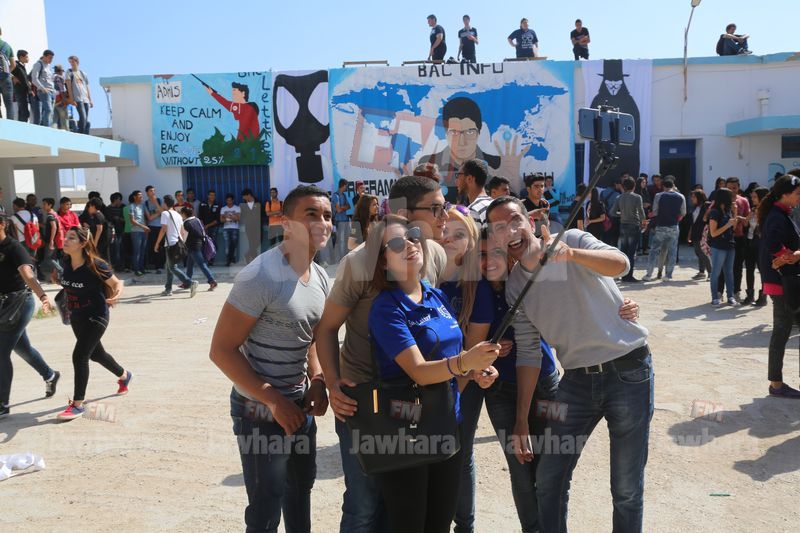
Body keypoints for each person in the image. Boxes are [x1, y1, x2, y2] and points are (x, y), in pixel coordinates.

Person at [486, 195, 652, 533]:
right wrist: (521, 419)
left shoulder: (572, 239)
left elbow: (620, 264)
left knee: (626, 488)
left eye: (515, 220)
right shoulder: (515, 285)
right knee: (549, 479)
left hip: (628, 370)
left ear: (531, 221)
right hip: (576, 381)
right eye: (499, 227)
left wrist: (572, 254)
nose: (510, 231)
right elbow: (529, 352)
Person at [316, 175, 450, 533]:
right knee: (364, 504)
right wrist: (333, 384)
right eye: (436, 209)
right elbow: (326, 328)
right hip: (365, 401)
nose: (445, 216)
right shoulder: (360, 262)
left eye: (445, 206)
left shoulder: (435, 254)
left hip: (420, 400)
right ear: (405, 212)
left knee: (408, 506)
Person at [209, 185, 332, 532]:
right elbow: (221, 350)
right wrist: (274, 400)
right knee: (265, 510)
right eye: (311, 214)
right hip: (259, 410)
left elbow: (309, 336)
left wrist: (318, 380)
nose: (322, 222)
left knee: (300, 493)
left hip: (298, 404)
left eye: (327, 215)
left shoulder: (320, 277)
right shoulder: (260, 275)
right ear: (285, 223)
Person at [366, 214, 500, 533]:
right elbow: (420, 372)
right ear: (382, 261)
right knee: (409, 525)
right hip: (405, 432)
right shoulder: (386, 308)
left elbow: (453, 364)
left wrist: (476, 371)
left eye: (413, 235)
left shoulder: (435, 295)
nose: (410, 244)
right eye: (396, 243)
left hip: (446, 423)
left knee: (440, 523)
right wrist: (466, 362)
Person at [437, 208, 498, 533]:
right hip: (421, 381)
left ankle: (465, 525)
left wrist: (448, 400)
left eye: (459, 234)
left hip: (461, 386)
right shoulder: (420, 277)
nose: (448, 238)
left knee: (459, 454)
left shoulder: (478, 288)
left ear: (472, 241)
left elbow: (472, 354)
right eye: (444, 230)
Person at [55, 226, 131, 421]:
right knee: (97, 354)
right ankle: (124, 375)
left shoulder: (95, 264)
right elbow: (69, 284)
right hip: (76, 316)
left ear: (82, 244)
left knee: (80, 356)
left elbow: (117, 283)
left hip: (97, 315)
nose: (65, 240)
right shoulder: (65, 262)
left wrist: (117, 295)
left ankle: (77, 405)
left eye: (71, 238)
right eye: (66, 236)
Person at [0, 214, 60, 418]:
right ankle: (50, 375)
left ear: (2, 225)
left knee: (1, 353)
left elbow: (27, 274)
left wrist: (42, 296)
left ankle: (2, 403)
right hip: (3, 306)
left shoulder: (14, 247)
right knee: (22, 348)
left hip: (19, 304)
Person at [757, 174, 800, 397]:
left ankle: (776, 383)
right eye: (798, 193)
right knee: (781, 333)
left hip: (785, 283)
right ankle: (776, 384)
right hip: (784, 284)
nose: (799, 197)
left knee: (781, 333)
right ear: (785, 194)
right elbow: (774, 245)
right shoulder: (777, 216)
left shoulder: (782, 213)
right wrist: (789, 256)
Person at [154, 194, 197, 297]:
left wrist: (157, 243)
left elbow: (163, 229)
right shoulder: (178, 214)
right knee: (170, 267)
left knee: (172, 267)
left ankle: (190, 282)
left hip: (170, 244)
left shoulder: (165, 213)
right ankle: (168, 289)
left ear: (165, 203)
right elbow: (182, 231)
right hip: (177, 243)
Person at [643, 177, 685, 281]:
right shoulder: (681, 196)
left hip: (661, 226)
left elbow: (655, 212)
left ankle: (649, 274)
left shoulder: (659, 195)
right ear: (673, 186)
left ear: (663, 186)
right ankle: (668, 275)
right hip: (674, 227)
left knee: (654, 250)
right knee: (672, 252)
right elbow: (683, 213)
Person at [707, 188, 743, 306]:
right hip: (718, 246)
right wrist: (727, 225)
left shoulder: (728, 211)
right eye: (731, 196)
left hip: (730, 244)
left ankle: (730, 296)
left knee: (729, 272)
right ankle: (715, 297)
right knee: (716, 272)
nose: (733, 199)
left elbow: (733, 227)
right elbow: (713, 233)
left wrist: (735, 212)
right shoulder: (714, 212)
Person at [611, 176, 647, 282]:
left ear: (623, 187)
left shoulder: (619, 197)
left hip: (623, 226)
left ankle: (621, 273)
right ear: (634, 186)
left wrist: (622, 214)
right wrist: (644, 223)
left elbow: (612, 212)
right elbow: (641, 213)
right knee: (631, 252)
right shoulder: (637, 197)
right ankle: (628, 276)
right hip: (634, 226)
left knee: (623, 251)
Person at [723, 177, 751, 301]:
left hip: (739, 237)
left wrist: (739, 218)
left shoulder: (743, 201)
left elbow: (747, 221)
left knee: (738, 266)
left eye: (734, 188)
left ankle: (736, 292)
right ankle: (719, 292)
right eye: (729, 188)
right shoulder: (720, 200)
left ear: (738, 188)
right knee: (722, 266)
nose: (731, 190)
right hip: (723, 238)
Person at [180, 206, 217, 291]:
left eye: (181, 213)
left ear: (184, 214)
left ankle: (212, 281)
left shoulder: (186, 223)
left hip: (193, 247)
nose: (181, 215)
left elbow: (184, 238)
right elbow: (203, 231)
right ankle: (187, 283)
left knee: (202, 265)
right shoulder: (197, 220)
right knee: (189, 265)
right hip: (199, 244)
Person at [744, 187, 768, 305]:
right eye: (752, 197)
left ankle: (763, 296)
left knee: (762, 270)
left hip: (760, 244)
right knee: (749, 269)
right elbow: (746, 224)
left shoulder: (767, 211)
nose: (752, 199)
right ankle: (750, 295)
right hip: (750, 242)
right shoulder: (753, 209)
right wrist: (748, 216)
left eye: (755, 197)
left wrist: (758, 216)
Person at [457, 159, 492, 225]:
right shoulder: (493, 203)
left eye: (458, 175)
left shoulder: (473, 211)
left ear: (469, 178)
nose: (456, 180)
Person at [688, 190, 712, 280]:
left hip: (703, 233)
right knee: (698, 252)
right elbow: (693, 222)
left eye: (694, 197)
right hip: (695, 232)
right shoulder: (695, 207)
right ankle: (701, 272)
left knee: (703, 252)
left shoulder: (706, 205)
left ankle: (711, 272)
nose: (692, 199)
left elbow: (708, 218)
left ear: (699, 197)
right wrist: (690, 233)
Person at [37, 198, 63, 281]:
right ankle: (56, 277)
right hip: (55, 240)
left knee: (49, 259)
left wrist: (51, 240)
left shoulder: (50, 216)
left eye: (44, 204)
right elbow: (49, 226)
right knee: (53, 259)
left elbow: (54, 227)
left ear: (50, 205)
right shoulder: (54, 214)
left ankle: (61, 271)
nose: (43, 206)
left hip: (51, 241)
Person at [65, 55, 92, 134]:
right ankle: (81, 133)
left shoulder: (83, 73)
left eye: (72, 61)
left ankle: (83, 133)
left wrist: (90, 99)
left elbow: (87, 87)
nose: (71, 63)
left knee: (86, 118)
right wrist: (71, 99)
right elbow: (69, 87)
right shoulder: (69, 72)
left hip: (85, 98)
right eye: (70, 62)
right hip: (77, 98)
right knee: (83, 117)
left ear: (77, 62)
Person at [30, 50, 55, 127]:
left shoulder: (48, 67)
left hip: (51, 92)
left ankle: (45, 127)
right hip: (44, 91)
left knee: (49, 112)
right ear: (44, 56)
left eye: (52, 58)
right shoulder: (38, 64)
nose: (51, 60)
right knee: (48, 110)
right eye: (50, 58)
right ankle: (47, 129)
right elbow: (34, 79)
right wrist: (42, 88)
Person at [127, 190, 149, 276]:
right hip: (136, 232)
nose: (141, 197)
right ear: (134, 197)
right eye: (139, 195)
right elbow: (132, 221)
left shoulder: (143, 205)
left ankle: (142, 268)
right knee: (137, 251)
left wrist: (145, 228)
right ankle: (136, 270)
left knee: (142, 251)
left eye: (141, 195)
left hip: (143, 231)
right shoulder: (131, 206)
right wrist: (143, 227)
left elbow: (146, 217)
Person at [144, 185, 165, 272]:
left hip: (161, 226)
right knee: (154, 245)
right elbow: (149, 218)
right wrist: (158, 212)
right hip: (152, 227)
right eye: (151, 191)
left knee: (162, 245)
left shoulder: (160, 200)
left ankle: (162, 265)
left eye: (154, 190)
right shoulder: (145, 203)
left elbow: (163, 212)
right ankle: (157, 266)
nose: (153, 192)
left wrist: (156, 203)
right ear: (147, 193)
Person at [331, 179, 352, 262]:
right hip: (339, 221)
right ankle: (341, 258)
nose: (346, 188)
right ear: (343, 185)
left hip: (346, 220)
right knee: (341, 240)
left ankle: (346, 256)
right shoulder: (335, 195)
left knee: (347, 239)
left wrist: (342, 207)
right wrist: (344, 207)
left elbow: (349, 206)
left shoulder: (344, 195)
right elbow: (338, 210)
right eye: (346, 186)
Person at [104, 193, 126, 271]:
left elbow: (126, 219)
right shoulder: (107, 209)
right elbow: (108, 220)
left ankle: (121, 266)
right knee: (115, 249)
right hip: (112, 232)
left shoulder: (123, 207)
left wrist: (119, 218)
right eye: (119, 199)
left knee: (121, 249)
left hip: (121, 231)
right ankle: (116, 267)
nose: (120, 201)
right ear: (115, 200)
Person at [240, 188, 262, 264]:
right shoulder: (243, 205)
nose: (243, 198)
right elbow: (242, 216)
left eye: (244, 196)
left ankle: (247, 254)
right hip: (249, 227)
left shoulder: (258, 202)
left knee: (258, 242)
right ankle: (255, 260)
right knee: (251, 243)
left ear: (249, 195)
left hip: (258, 226)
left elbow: (262, 214)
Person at [199, 190, 221, 264]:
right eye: (211, 195)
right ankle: (205, 259)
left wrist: (207, 226)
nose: (212, 196)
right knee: (204, 243)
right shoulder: (202, 204)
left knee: (213, 243)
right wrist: (203, 227)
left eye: (214, 195)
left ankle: (211, 260)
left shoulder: (218, 205)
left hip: (214, 227)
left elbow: (217, 219)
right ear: (208, 196)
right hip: (204, 228)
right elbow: (200, 217)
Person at [0, 28, 17, 120]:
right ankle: (10, 125)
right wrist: (6, 71)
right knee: (9, 104)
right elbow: (13, 65)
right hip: (5, 77)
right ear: (1, 33)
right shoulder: (7, 46)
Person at [11, 50, 32, 123]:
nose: (28, 58)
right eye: (26, 57)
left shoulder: (22, 66)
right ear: (21, 57)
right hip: (19, 91)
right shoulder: (15, 64)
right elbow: (6, 71)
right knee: (24, 112)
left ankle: (21, 127)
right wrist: (12, 77)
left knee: (22, 112)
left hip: (24, 92)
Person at [220, 194, 241, 266]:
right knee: (227, 244)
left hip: (235, 228)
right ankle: (228, 260)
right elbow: (221, 220)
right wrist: (233, 217)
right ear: (226, 201)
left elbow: (238, 218)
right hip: (226, 228)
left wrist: (227, 217)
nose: (229, 202)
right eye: (228, 200)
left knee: (233, 244)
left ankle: (233, 259)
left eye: (230, 200)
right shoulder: (223, 208)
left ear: (233, 200)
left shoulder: (237, 208)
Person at [52, 65, 68, 130]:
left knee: (54, 119)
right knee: (64, 119)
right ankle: (65, 132)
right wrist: (64, 99)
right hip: (60, 100)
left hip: (53, 100)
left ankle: (53, 131)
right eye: (62, 71)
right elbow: (61, 89)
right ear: (60, 71)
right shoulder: (59, 77)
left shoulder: (51, 76)